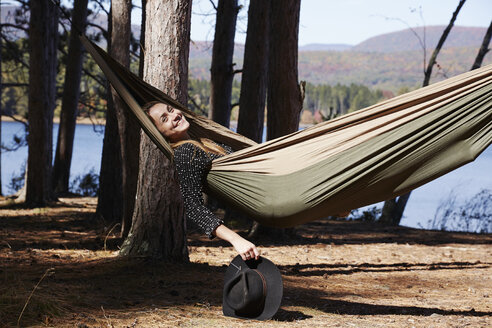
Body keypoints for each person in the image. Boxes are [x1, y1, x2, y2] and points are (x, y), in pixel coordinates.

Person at [143, 101, 260, 261]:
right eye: (164, 119)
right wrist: (236, 239)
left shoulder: (203, 142)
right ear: (160, 133)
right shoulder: (185, 152)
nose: (174, 116)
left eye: (170, 110)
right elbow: (193, 207)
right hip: (265, 195)